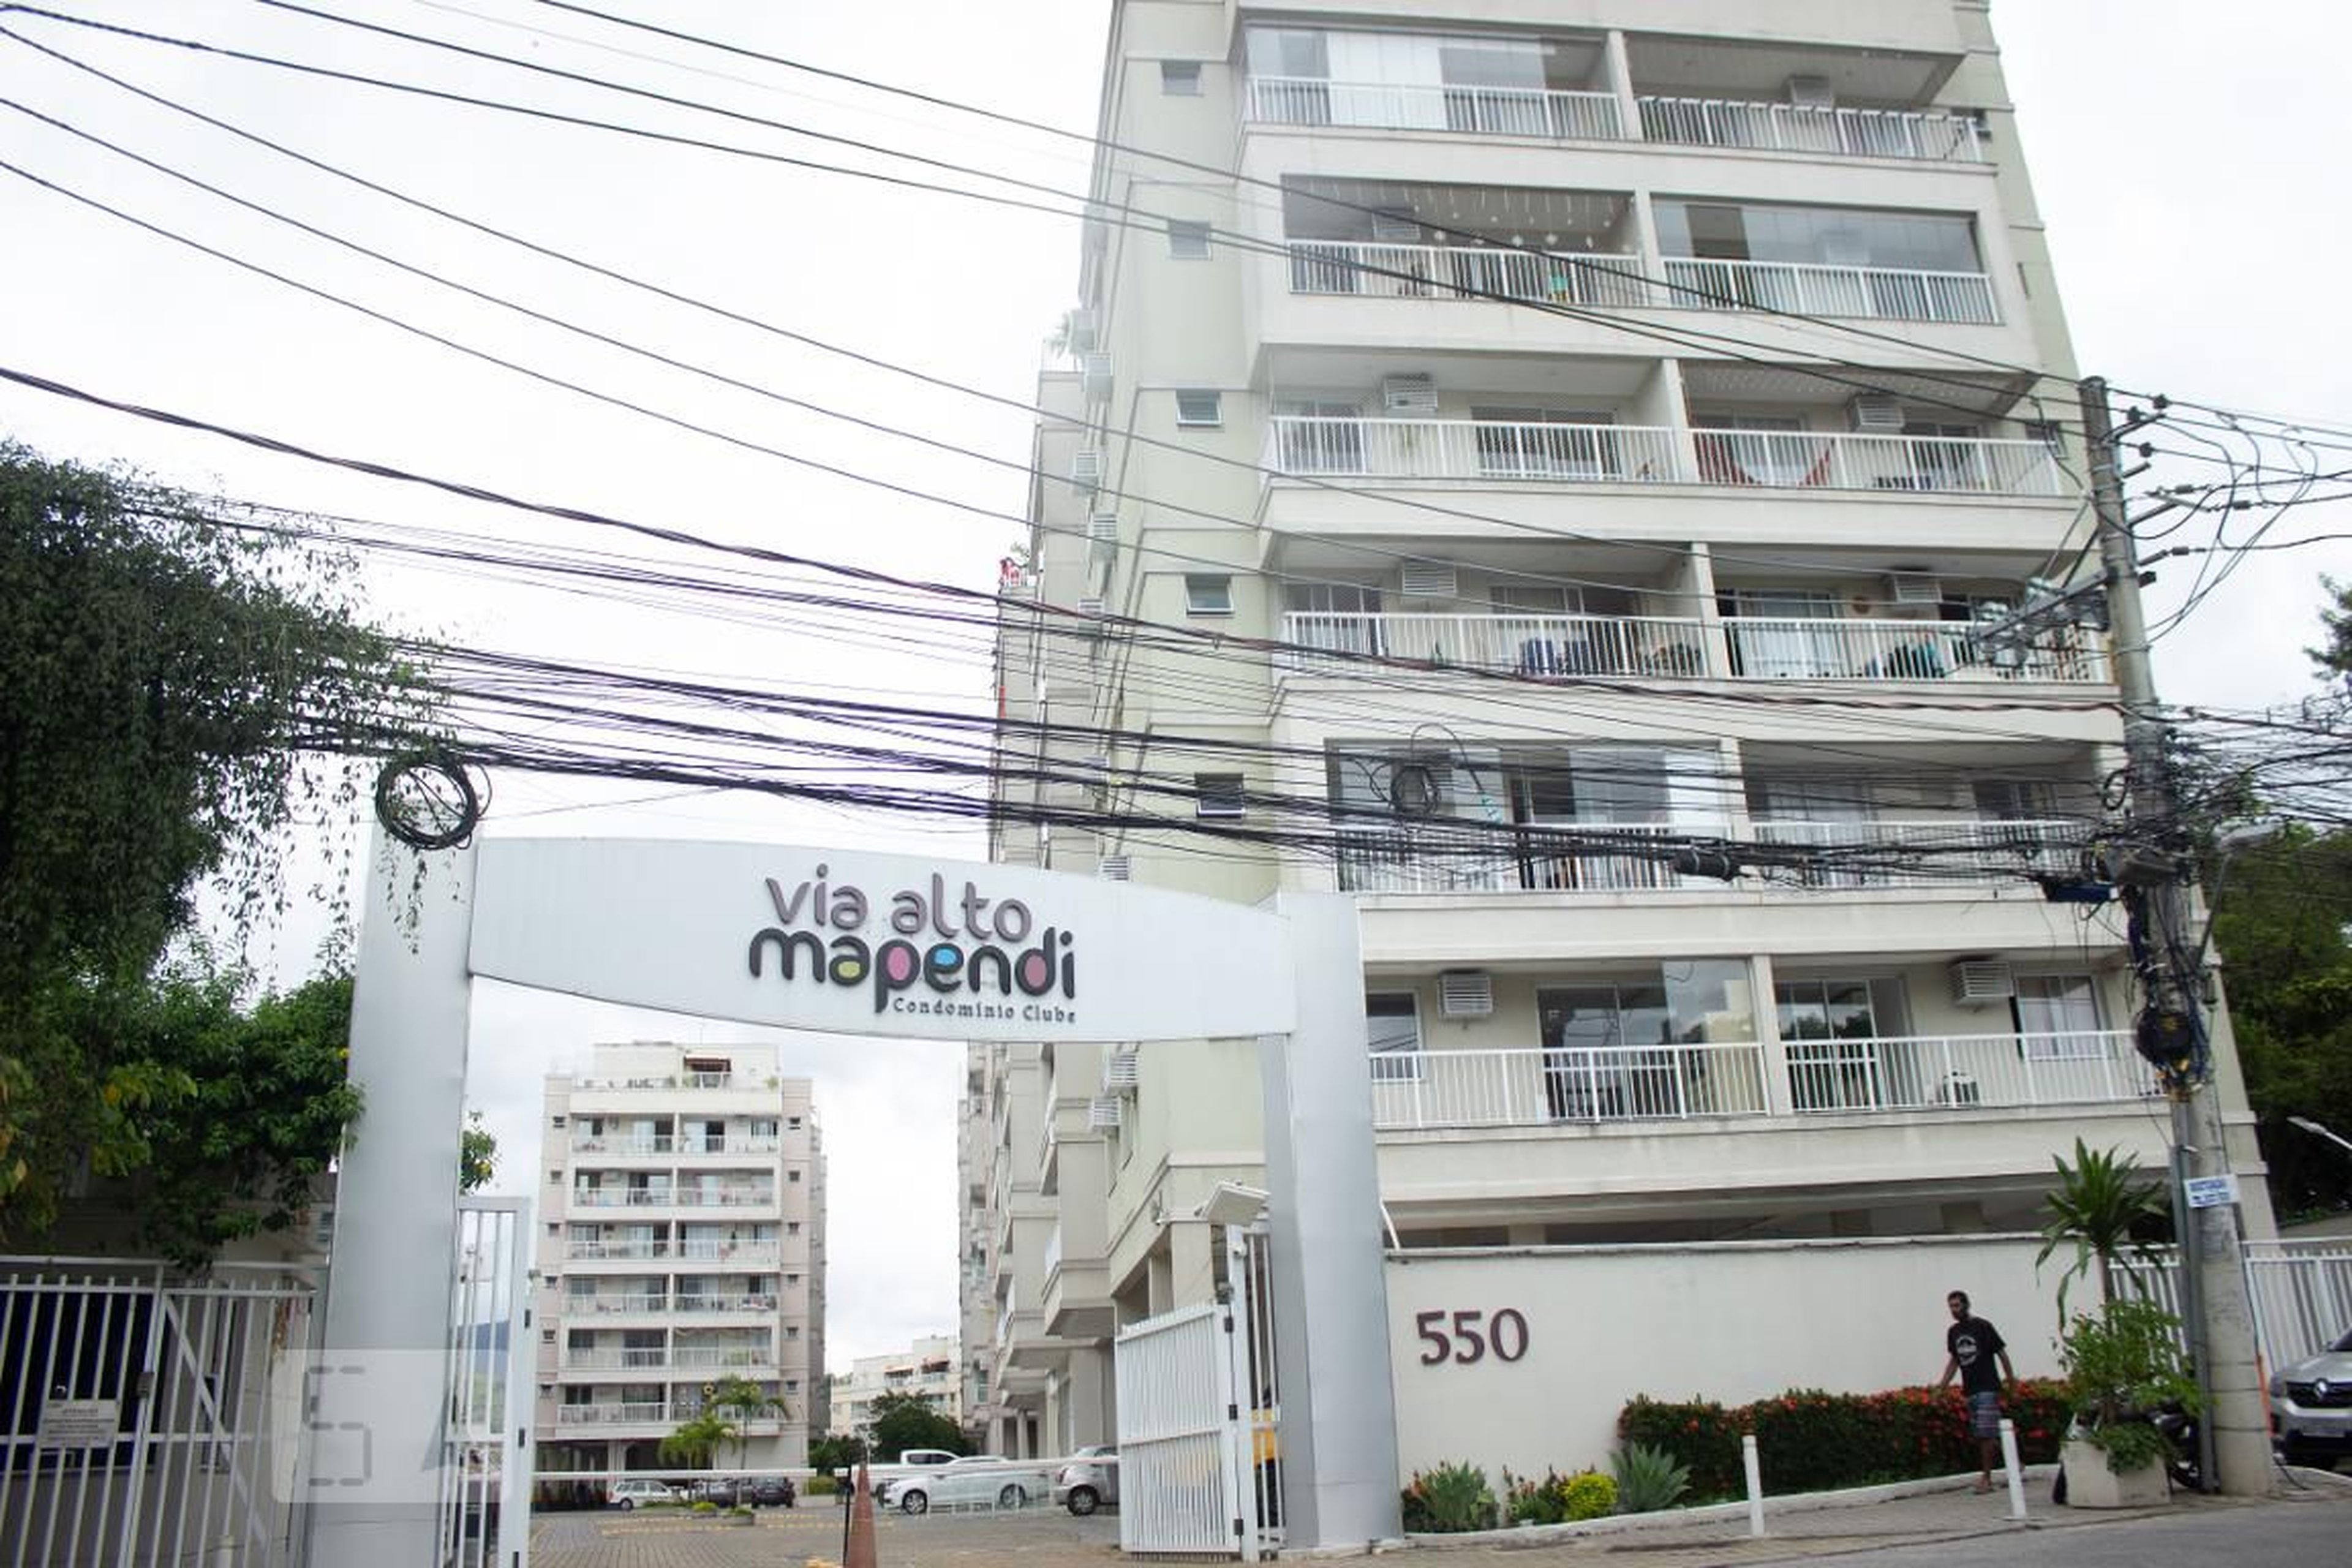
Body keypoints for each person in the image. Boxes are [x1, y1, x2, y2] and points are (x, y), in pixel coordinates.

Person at [1935, 1289, 2018, 1493]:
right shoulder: (1953, 1332)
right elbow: (1955, 1361)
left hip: (1987, 1387)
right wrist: (1942, 1386)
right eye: (1951, 1306)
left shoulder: (1982, 1326)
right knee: (1985, 1434)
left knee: (1986, 1435)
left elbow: (2001, 1353)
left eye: (1957, 1305)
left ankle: (1987, 1480)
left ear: (1966, 1305)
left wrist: (2011, 1381)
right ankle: (2017, 1462)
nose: (1954, 1310)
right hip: (1970, 1388)